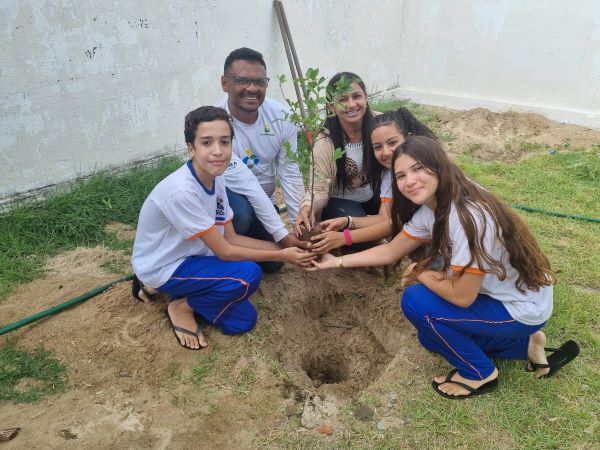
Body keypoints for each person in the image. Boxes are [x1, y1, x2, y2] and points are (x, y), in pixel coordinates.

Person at [309, 135, 579, 399]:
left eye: (417, 168)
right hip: (512, 295)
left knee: (417, 302)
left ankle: (479, 373)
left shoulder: (467, 218)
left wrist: (421, 272)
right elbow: (392, 250)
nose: (410, 180)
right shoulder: (438, 203)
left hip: (520, 309)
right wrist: (337, 261)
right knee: (431, 337)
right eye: (401, 175)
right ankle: (526, 344)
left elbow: (462, 297)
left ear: (438, 165)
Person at [131, 106, 315, 350]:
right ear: (191, 148)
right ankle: (180, 306)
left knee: (243, 321)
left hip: (192, 255)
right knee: (248, 275)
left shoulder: (216, 178)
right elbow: (225, 251)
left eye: (224, 142)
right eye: (206, 142)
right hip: (166, 264)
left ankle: (175, 293)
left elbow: (231, 236)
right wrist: (282, 254)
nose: (217, 151)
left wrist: (287, 247)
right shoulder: (181, 192)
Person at [215, 47, 307, 272]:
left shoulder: (281, 117)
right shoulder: (215, 123)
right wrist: (283, 237)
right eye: (242, 81)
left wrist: (298, 225)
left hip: (264, 201)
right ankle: (225, 250)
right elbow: (247, 185)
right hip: (228, 201)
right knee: (242, 214)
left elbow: (290, 171)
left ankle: (243, 251)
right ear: (225, 83)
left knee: (274, 265)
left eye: (260, 82)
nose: (252, 89)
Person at [311, 107, 436, 254]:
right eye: (378, 147)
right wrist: (347, 221)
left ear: (408, 138)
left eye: (392, 143)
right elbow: (386, 219)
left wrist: (344, 237)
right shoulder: (391, 173)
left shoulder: (429, 169)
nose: (386, 152)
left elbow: (392, 225)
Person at [294, 72, 380, 239]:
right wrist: (307, 207)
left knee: (408, 206)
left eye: (357, 96)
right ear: (331, 106)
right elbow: (318, 189)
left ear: (366, 97)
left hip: (373, 192)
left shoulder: (380, 123)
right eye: (342, 100)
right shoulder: (325, 142)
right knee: (360, 236)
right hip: (339, 203)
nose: (351, 104)